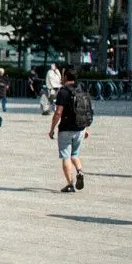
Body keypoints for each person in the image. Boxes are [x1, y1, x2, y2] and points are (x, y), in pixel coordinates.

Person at [49, 64, 92, 193]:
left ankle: (70, 184)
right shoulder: (81, 88)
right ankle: (80, 171)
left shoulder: (63, 91)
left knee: (66, 156)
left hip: (66, 129)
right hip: (80, 128)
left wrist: (52, 129)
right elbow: (85, 109)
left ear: (66, 76)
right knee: (75, 154)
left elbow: (58, 113)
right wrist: (86, 127)